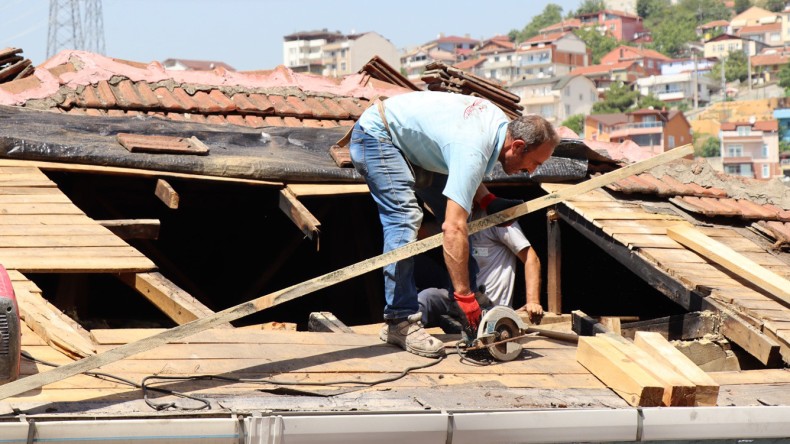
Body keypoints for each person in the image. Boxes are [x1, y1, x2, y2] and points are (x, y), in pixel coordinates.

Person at [349, 91, 559, 358]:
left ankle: (461, 309)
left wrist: (487, 199)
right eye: (534, 163)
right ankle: (399, 320)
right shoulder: (474, 146)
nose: (532, 172)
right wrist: (465, 296)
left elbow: (460, 163)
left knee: (466, 213)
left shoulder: (497, 126)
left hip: (414, 146)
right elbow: (452, 228)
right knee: (406, 217)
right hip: (378, 137)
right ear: (517, 146)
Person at [418, 203, 544, 335]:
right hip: (459, 300)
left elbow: (531, 258)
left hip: (489, 307)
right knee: (427, 297)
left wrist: (533, 301)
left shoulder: (496, 218)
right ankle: (404, 330)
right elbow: (424, 232)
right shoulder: (456, 217)